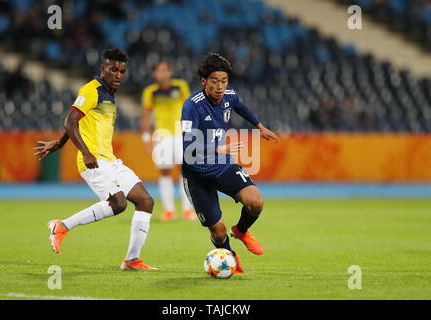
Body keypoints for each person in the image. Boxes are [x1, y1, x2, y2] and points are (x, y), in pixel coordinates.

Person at [34, 48, 157, 270]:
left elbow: (81, 120)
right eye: (113, 70)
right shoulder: (92, 90)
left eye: (122, 71)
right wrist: (85, 152)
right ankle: (61, 226)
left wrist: (60, 143)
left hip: (110, 160)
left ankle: (132, 260)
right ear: (103, 69)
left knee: (146, 202)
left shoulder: (110, 95)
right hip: (92, 161)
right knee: (118, 204)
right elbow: (70, 121)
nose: (118, 75)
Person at [181, 53, 279, 273]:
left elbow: (240, 106)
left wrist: (260, 126)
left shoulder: (229, 96)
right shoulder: (192, 106)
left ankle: (242, 231)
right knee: (218, 231)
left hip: (222, 164)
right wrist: (217, 148)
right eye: (214, 81)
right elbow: (187, 146)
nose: (219, 86)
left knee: (255, 202)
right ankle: (230, 259)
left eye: (224, 81)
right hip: (196, 173)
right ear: (203, 81)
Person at [141, 61, 195, 221]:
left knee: (186, 171)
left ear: (170, 72)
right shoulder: (151, 92)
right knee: (164, 172)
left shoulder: (181, 87)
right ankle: (169, 210)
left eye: (165, 70)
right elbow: (145, 115)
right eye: (159, 71)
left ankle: (187, 210)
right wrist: (146, 138)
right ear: (155, 74)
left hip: (181, 134)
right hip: (162, 136)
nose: (163, 74)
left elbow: (191, 108)